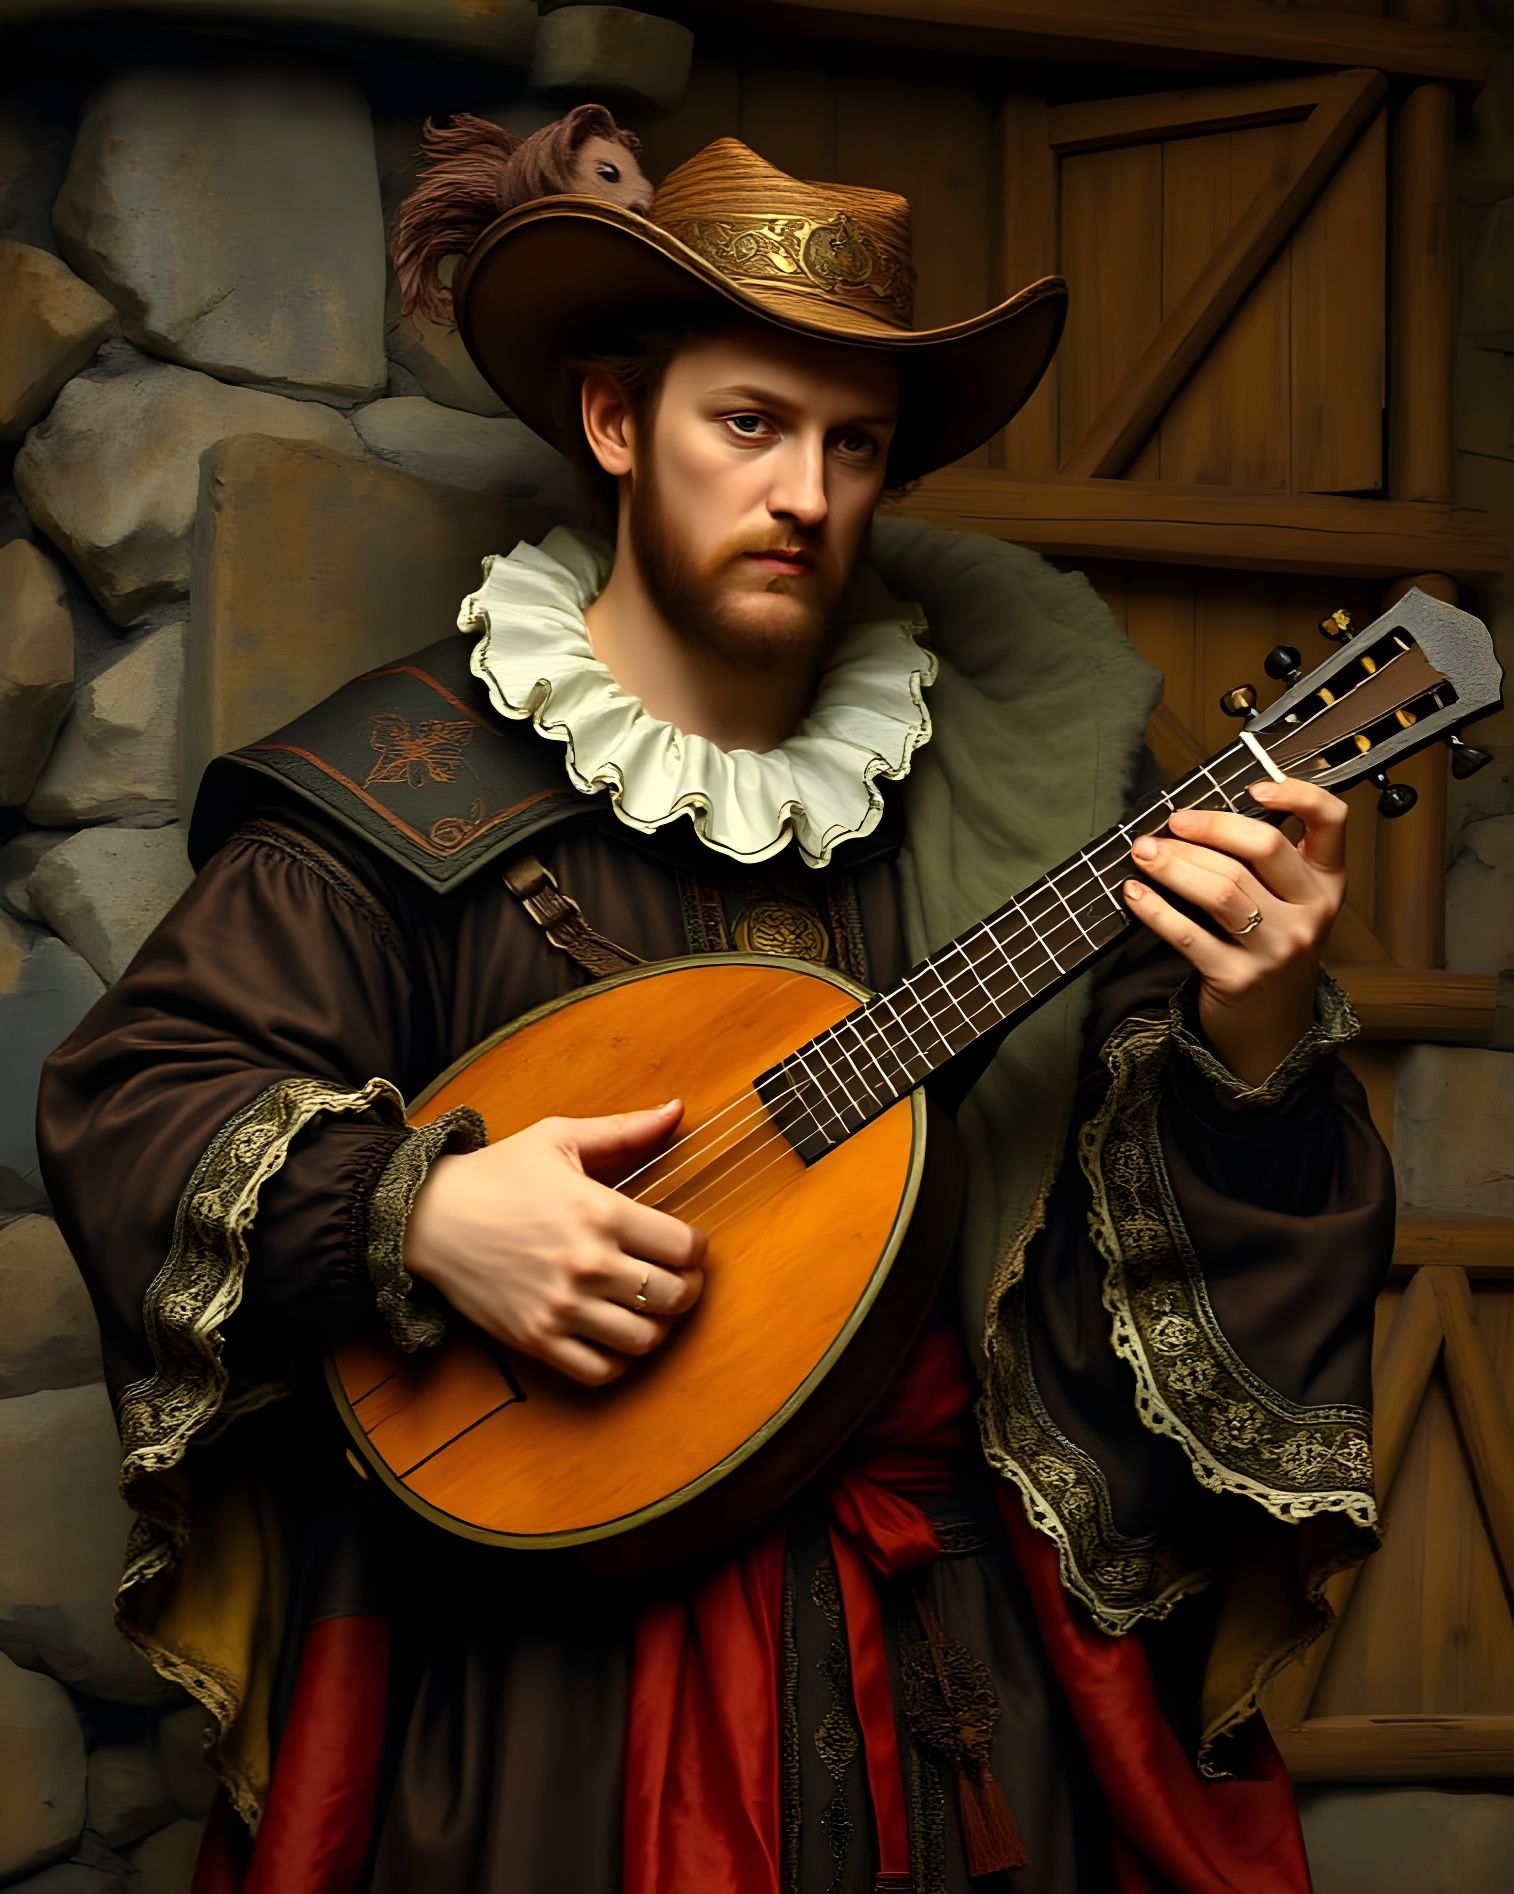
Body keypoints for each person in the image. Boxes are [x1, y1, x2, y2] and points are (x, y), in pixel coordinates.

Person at [37, 133, 1395, 1893]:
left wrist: (1253, 1034)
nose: (806, 494)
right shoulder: (403, 774)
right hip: (539, 1714)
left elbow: (1164, 1298)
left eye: (854, 445)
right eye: (747, 423)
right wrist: (419, 1208)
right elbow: (132, 1099)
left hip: (952, 1678)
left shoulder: (1039, 805)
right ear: (614, 421)